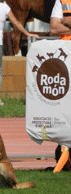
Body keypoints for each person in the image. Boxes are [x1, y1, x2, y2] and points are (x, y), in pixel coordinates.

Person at [50, 0, 71, 171]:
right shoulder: (63, 0)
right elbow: (54, 29)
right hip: (66, 59)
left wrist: (67, 21)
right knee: (64, 109)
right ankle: (63, 156)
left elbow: (60, 24)